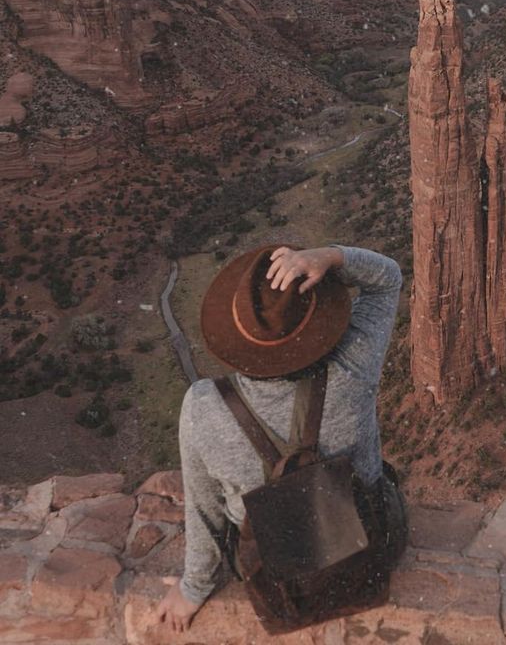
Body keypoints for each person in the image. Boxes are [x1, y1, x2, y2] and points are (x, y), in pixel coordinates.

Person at [156, 243, 403, 634]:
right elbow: (387, 278)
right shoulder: (355, 364)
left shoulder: (203, 407)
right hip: (369, 544)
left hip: (273, 572)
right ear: (315, 326)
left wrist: (193, 589)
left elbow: (206, 511)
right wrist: (331, 256)